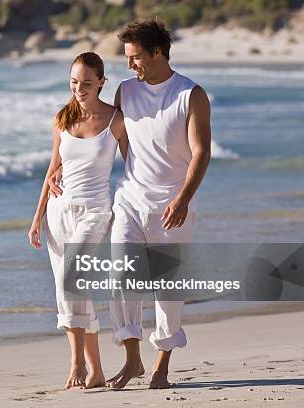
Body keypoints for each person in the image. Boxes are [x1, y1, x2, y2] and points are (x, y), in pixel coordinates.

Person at [49, 19, 211, 390]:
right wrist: (61, 169)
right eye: (127, 58)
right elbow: (103, 142)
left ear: (158, 53)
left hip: (173, 204)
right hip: (130, 199)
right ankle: (133, 360)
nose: (130, 65)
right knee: (122, 280)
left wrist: (183, 198)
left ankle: (161, 365)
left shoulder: (190, 94)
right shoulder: (126, 91)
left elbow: (202, 152)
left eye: (136, 58)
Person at [28, 52, 128, 390]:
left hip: (95, 211)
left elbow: (135, 165)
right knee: (70, 288)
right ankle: (95, 370)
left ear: (101, 81)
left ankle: (75, 362)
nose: (79, 89)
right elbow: (52, 168)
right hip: (59, 212)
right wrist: (37, 216)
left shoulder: (117, 120)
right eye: (73, 82)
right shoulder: (62, 119)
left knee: (72, 276)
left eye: (86, 83)